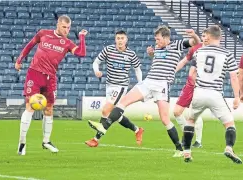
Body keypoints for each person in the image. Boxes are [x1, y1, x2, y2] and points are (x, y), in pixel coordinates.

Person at [89, 25, 200, 157]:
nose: (156, 42)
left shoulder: (177, 45)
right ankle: (104, 126)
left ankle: (179, 148)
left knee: (165, 119)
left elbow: (196, 43)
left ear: (165, 38)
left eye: (158, 39)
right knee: (122, 102)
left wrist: (193, 35)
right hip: (148, 81)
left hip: (162, 85)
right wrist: (152, 54)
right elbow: (158, 60)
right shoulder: (158, 47)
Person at [15, 15, 88, 154]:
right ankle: (22, 143)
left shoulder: (67, 43)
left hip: (51, 78)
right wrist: (19, 60)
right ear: (58, 25)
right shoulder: (43, 33)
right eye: (64, 27)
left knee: (49, 109)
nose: (66, 30)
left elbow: (81, 53)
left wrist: (82, 37)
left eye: (68, 28)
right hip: (35, 74)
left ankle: (46, 141)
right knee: (30, 106)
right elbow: (30, 45)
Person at [182, 25, 241, 164]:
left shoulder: (199, 52)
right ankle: (229, 147)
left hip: (199, 92)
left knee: (191, 120)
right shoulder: (227, 54)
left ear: (207, 36)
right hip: (215, 93)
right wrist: (237, 97)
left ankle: (186, 152)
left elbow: (192, 74)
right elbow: (234, 77)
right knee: (229, 123)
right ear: (220, 37)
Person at [85, 30, 144, 147]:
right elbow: (96, 62)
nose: (120, 40)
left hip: (121, 86)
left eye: (122, 38)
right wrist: (96, 71)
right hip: (109, 86)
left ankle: (95, 139)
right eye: (118, 38)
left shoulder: (131, 54)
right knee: (115, 115)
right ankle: (137, 130)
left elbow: (137, 70)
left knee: (105, 110)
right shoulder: (108, 50)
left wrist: (141, 85)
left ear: (126, 40)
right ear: (115, 39)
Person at [173, 32, 209, 148]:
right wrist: (172, 72)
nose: (204, 39)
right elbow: (184, 61)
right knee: (177, 112)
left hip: (201, 86)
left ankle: (197, 141)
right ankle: (186, 134)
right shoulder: (195, 49)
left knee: (193, 114)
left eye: (206, 36)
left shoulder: (213, 52)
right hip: (189, 85)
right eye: (202, 36)